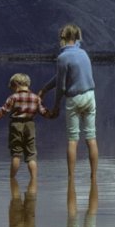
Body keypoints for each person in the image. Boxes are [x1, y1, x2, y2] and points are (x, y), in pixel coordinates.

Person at [39, 24, 98, 197]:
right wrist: (45, 89)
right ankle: (94, 178)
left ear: (62, 38)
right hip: (90, 96)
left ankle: (71, 179)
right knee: (91, 138)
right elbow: (60, 78)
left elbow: (62, 86)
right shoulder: (83, 54)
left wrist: (56, 106)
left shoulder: (63, 57)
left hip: (74, 98)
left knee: (73, 140)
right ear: (77, 37)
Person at [0, 73, 55, 182]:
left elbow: (2, 111)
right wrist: (52, 114)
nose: (12, 90)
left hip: (16, 125)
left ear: (16, 84)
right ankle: (34, 180)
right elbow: (43, 112)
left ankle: (12, 179)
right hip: (30, 125)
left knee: (16, 154)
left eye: (12, 87)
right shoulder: (35, 98)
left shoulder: (13, 97)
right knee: (31, 154)